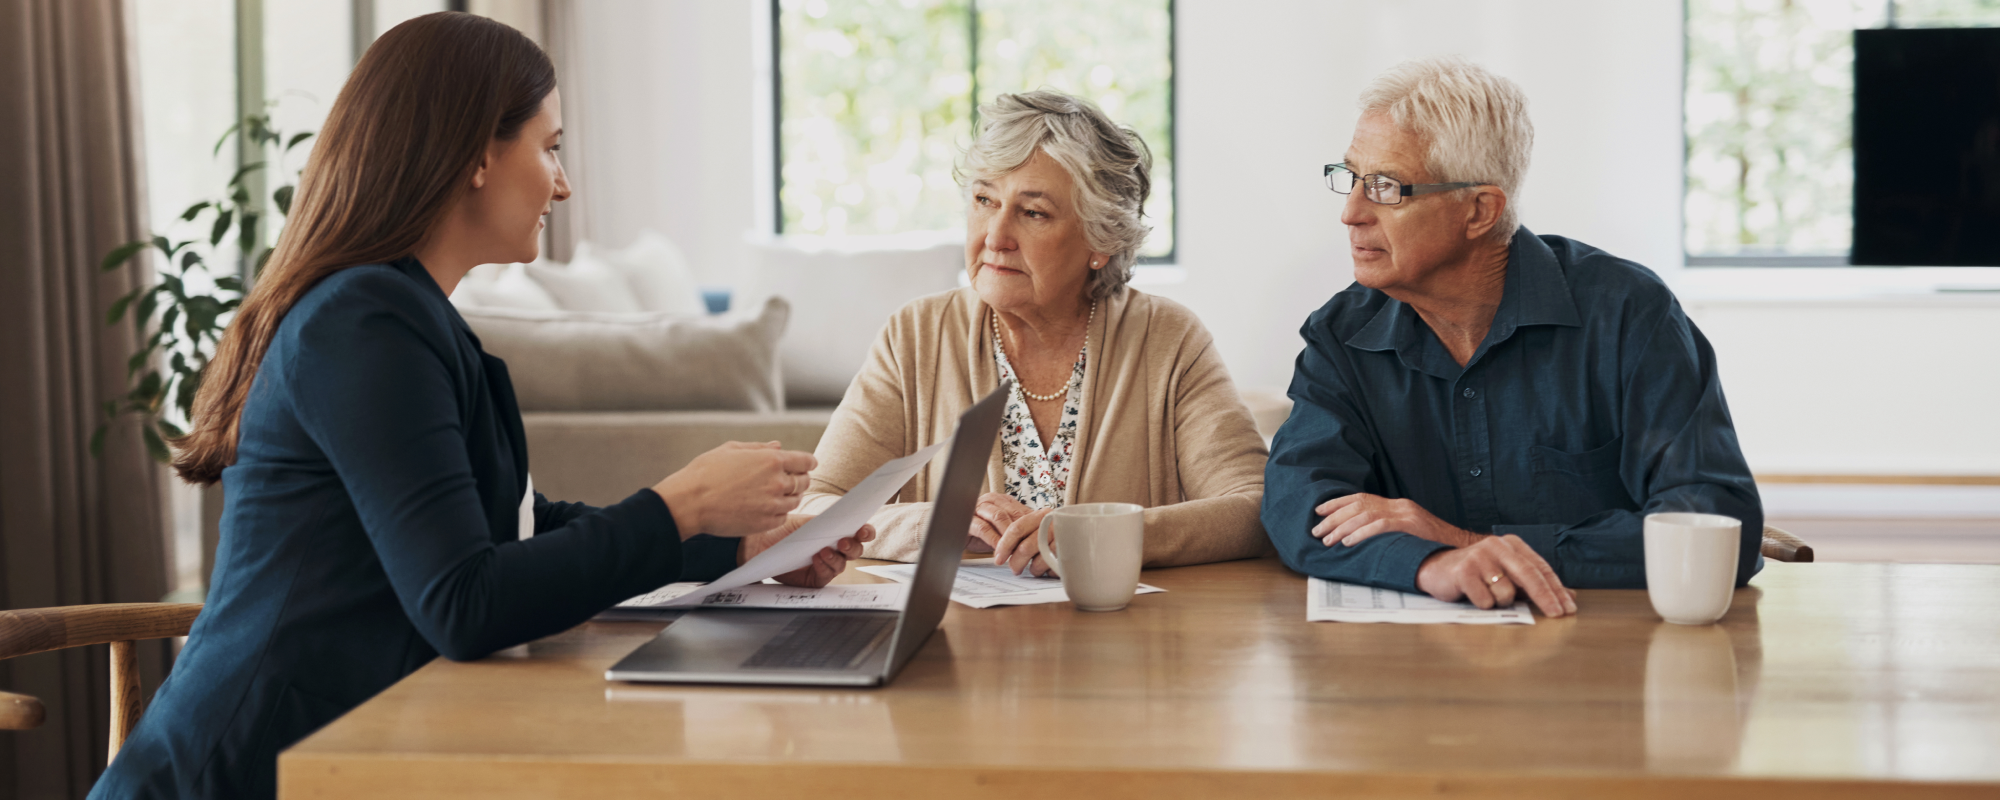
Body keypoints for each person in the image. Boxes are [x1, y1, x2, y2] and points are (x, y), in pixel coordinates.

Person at [93, 14, 869, 798]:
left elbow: (520, 524)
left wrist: (736, 551)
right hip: (248, 770)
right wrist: (676, 506)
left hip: (343, 746)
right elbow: (463, 602)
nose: (562, 184)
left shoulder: (405, 314)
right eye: (550, 146)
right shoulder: (365, 322)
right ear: (476, 155)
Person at [1262, 56, 1762, 617]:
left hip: (1608, 665)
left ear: (1479, 210)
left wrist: (1468, 544)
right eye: (1351, 178)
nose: (1351, 213)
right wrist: (1431, 564)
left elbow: (1719, 525)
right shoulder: (1342, 334)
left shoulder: (1628, 314)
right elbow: (1298, 506)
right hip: (1413, 672)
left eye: (1385, 187)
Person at [801, 90, 1269, 576]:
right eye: (985, 200)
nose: (995, 236)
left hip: (1123, 636)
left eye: (1033, 212)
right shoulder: (915, 335)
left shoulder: (1168, 339)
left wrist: (1099, 535)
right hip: (959, 641)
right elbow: (814, 509)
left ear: (1101, 240)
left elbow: (1253, 509)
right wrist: (935, 524)